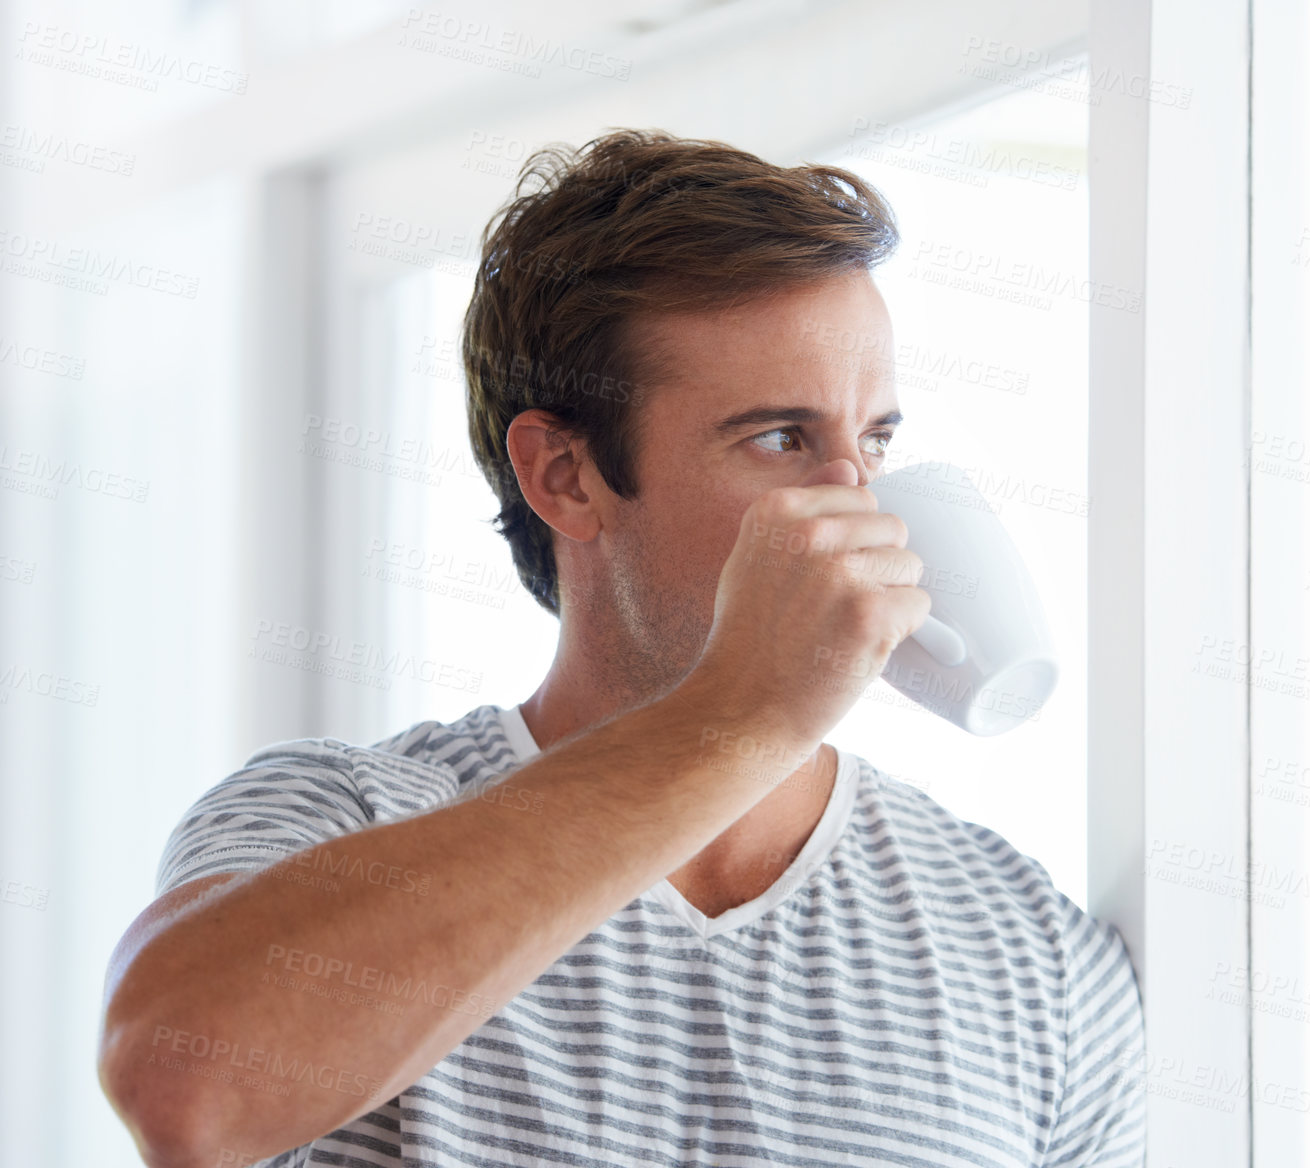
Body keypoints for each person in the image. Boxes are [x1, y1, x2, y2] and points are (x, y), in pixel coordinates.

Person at [97, 128, 1145, 1168]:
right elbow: (186, 1093)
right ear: (565, 475)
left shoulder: (1029, 950)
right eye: (779, 439)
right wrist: (745, 716)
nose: (857, 507)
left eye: (872, 440)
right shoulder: (340, 816)